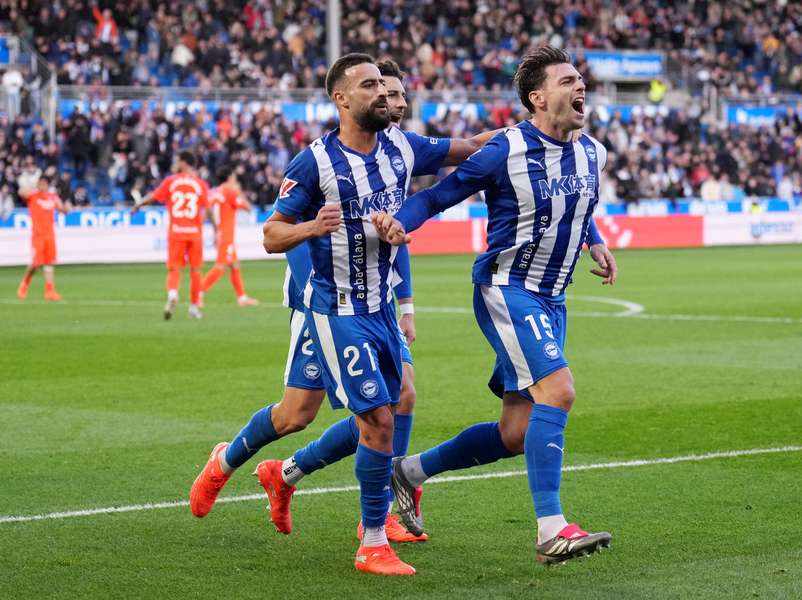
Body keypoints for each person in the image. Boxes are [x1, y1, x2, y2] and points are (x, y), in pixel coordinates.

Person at [189, 54, 496, 576]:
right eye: (371, 85)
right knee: (375, 417)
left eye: (386, 84)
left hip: (378, 303)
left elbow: (467, 149)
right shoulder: (314, 164)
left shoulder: (401, 146)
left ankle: (272, 472)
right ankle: (370, 539)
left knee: (310, 413)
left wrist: (528, 133)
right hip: (331, 307)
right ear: (341, 98)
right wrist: (311, 227)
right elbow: (269, 234)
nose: (385, 94)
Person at [372, 45, 618, 565]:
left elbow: (578, 204)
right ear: (537, 96)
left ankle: (408, 471)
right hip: (508, 289)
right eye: (568, 80)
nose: (581, 87)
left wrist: (594, 239)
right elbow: (440, 194)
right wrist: (402, 221)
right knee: (560, 390)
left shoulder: (592, 151)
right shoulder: (505, 150)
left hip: (553, 297)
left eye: (581, 79)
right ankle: (552, 529)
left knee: (516, 433)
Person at [132, 151, 210, 320]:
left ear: (183, 162)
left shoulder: (171, 181)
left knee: (174, 268)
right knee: (196, 270)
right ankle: (194, 307)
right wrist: (213, 228)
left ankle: (173, 295)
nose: (175, 164)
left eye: (177, 161)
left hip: (176, 231)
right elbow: (208, 209)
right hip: (194, 233)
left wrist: (138, 205)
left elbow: (153, 197)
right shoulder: (200, 184)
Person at [200, 166, 259, 306]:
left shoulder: (216, 192)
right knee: (220, 267)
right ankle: (198, 292)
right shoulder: (230, 193)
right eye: (233, 177)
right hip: (226, 235)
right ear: (230, 178)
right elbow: (248, 208)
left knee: (234, 265)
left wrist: (215, 230)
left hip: (221, 233)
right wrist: (238, 192)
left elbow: (208, 211)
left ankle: (242, 297)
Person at [17, 175, 68, 301]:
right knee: (35, 264)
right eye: (41, 183)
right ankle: (24, 284)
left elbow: (63, 209)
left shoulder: (53, 197)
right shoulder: (33, 196)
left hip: (50, 235)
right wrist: (34, 184)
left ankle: (50, 291)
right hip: (38, 236)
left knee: (49, 263)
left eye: (45, 183)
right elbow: (20, 192)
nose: (42, 185)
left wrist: (67, 208)